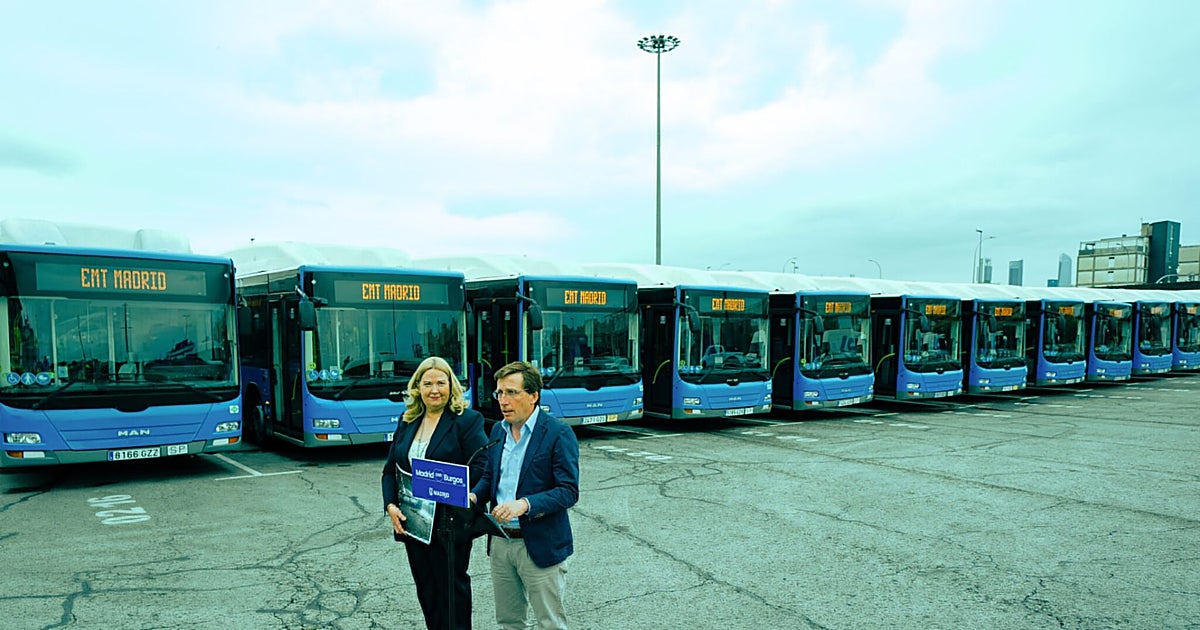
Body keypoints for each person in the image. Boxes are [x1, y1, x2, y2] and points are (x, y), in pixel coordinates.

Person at [469, 361, 580, 630]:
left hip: (540, 544)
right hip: (501, 541)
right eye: (499, 393)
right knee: (509, 621)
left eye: (511, 392)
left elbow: (568, 491)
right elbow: (489, 477)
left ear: (533, 396)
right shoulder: (498, 430)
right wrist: (473, 496)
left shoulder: (557, 433)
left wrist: (525, 505)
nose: (503, 401)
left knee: (549, 622)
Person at [382, 356, 489, 630]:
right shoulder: (407, 421)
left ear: (451, 386)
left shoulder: (467, 420)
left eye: (441, 383)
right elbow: (389, 470)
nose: (434, 389)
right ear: (417, 387)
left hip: (449, 523)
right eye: (427, 383)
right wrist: (390, 506)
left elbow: (481, 464)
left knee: (452, 592)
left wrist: (462, 493)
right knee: (427, 591)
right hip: (413, 524)